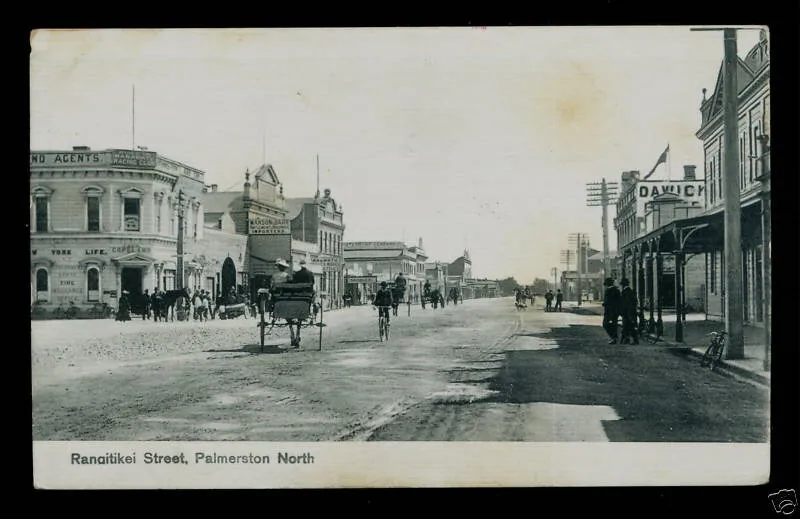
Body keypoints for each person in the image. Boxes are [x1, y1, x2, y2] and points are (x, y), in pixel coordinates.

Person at [618, 278, 639, 344]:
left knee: (627, 327)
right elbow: (635, 302)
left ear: (623, 285)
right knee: (630, 326)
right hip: (632, 312)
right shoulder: (632, 291)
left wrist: (622, 312)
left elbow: (624, 304)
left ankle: (626, 340)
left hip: (627, 312)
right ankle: (628, 340)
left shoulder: (624, 292)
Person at [602, 277, 621, 344]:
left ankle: (614, 337)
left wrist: (605, 304)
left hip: (610, 311)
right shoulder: (616, 290)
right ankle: (614, 337)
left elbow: (610, 301)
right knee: (613, 324)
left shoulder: (610, 291)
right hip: (614, 311)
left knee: (606, 324)